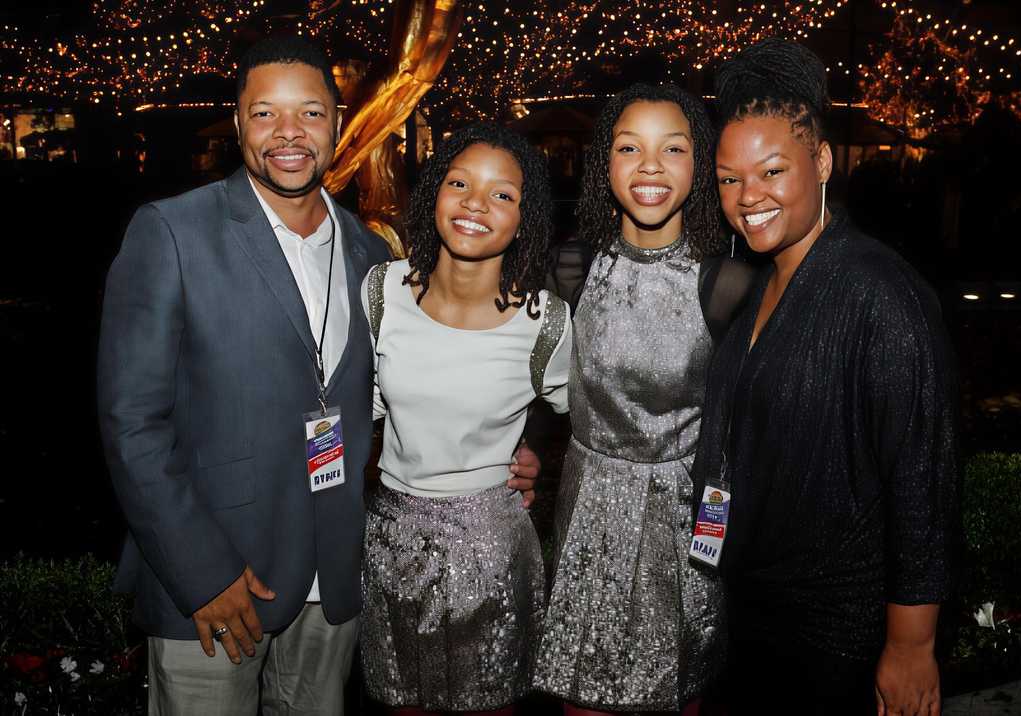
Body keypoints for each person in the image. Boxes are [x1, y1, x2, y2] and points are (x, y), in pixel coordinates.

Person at [97, 37, 539, 715]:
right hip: (216, 585)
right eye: (266, 114)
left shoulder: (371, 255)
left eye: (309, 113)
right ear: (241, 124)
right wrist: (200, 571)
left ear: (338, 122)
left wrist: (501, 451)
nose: (288, 134)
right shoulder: (173, 232)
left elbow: (402, 390)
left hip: (333, 580)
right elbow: (132, 424)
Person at [693, 38, 959, 715]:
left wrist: (911, 646)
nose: (748, 196)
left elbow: (922, 476)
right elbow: (732, 443)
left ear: (822, 162)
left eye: (772, 171)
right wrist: (711, 541)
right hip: (753, 612)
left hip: (839, 634)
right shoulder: (760, 284)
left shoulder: (881, 293)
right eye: (728, 179)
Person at [533, 83, 753, 716]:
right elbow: (528, 383)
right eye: (630, 147)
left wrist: (716, 537)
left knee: (677, 694)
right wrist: (520, 451)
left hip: (681, 530)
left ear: (699, 165)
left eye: (673, 149)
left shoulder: (728, 283)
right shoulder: (570, 270)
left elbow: (744, 431)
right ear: (606, 161)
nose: (650, 166)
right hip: (586, 522)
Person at [357, 123, 572, 715]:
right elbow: (362, 405)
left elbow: (588, 420)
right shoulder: (382, 292)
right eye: (460, 184)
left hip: (491, 549)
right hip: (391, 543)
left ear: (524, 218)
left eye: (502, 194)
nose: (477, 204)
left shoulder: (544, 321)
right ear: (434, 196)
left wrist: (534, 451)